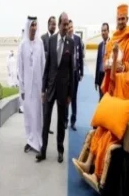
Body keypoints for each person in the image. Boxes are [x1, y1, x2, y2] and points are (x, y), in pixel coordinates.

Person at [76, 42, 129, 181]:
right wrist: (116, 55)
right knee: (100, 130)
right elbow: (112, 80)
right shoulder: (126, 76)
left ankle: (97, 175)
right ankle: (88, 164)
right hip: (117, 115)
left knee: (108, 138)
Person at [37, 12, 75, 163]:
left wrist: (70, 93)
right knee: (46, 120)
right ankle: (43, 150)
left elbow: (71, 70)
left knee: (61, 122)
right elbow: (47, 67)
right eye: (64, 24)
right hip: (50, 88)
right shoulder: (51, 41)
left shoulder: (70, 43)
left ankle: (60, 150)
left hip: (63, 91)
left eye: (68, 24)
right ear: (59, 25)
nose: (66, 27)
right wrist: (43, 89)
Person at [18, 16, 45, 154]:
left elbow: (43, 65)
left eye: (36, 25)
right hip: (27, 88)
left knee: (37, 114)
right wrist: (21, 87)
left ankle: (38, 140)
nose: (34, 28)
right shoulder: (23, 45)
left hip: (38, 87)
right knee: (28, 114)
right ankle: (29, 140)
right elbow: (19, 68)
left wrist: (44, 87)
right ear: (28, 27)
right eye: (32, 25)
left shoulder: (40, 43)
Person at [100, 4, 129, 93]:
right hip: (112, 82)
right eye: (119, 19)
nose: (121, 22)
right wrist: (106, 64)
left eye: (123, 19)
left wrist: (124, 67)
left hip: (126, 82)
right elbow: (106, 59)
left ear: (127, 19)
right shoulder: (113, 39)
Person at [67, 20, 84, 131]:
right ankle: (64, 121)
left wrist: (81, 72)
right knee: (66, 98)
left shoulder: (78, 39)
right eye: (69, 27)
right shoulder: (65, 40)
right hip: (66, 75)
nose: (70, 29)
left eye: (72, 27)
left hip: (75, 74)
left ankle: (73, 121)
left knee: (74, 98)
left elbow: (81, 57)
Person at [95, 23, 110, 100]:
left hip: (107, 75)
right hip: (100, 75)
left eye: (105, 30)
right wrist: (96, 80)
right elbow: (98, 63)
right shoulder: (100, 45)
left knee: (106, 97)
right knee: (100, 97)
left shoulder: (112, 44)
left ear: (108, 31)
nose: (103, 33)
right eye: (102, 31)